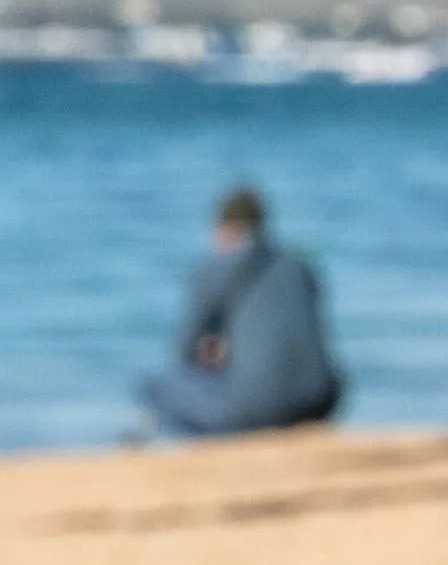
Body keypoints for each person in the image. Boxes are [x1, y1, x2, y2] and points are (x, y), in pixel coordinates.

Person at [141, 184, 342, 438]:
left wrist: (218, 360)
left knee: (157, 387)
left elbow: (184, 354)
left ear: (224, 229)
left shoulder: (216, 269)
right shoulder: (300, 265)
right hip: (320, 401)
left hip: (258, 410)